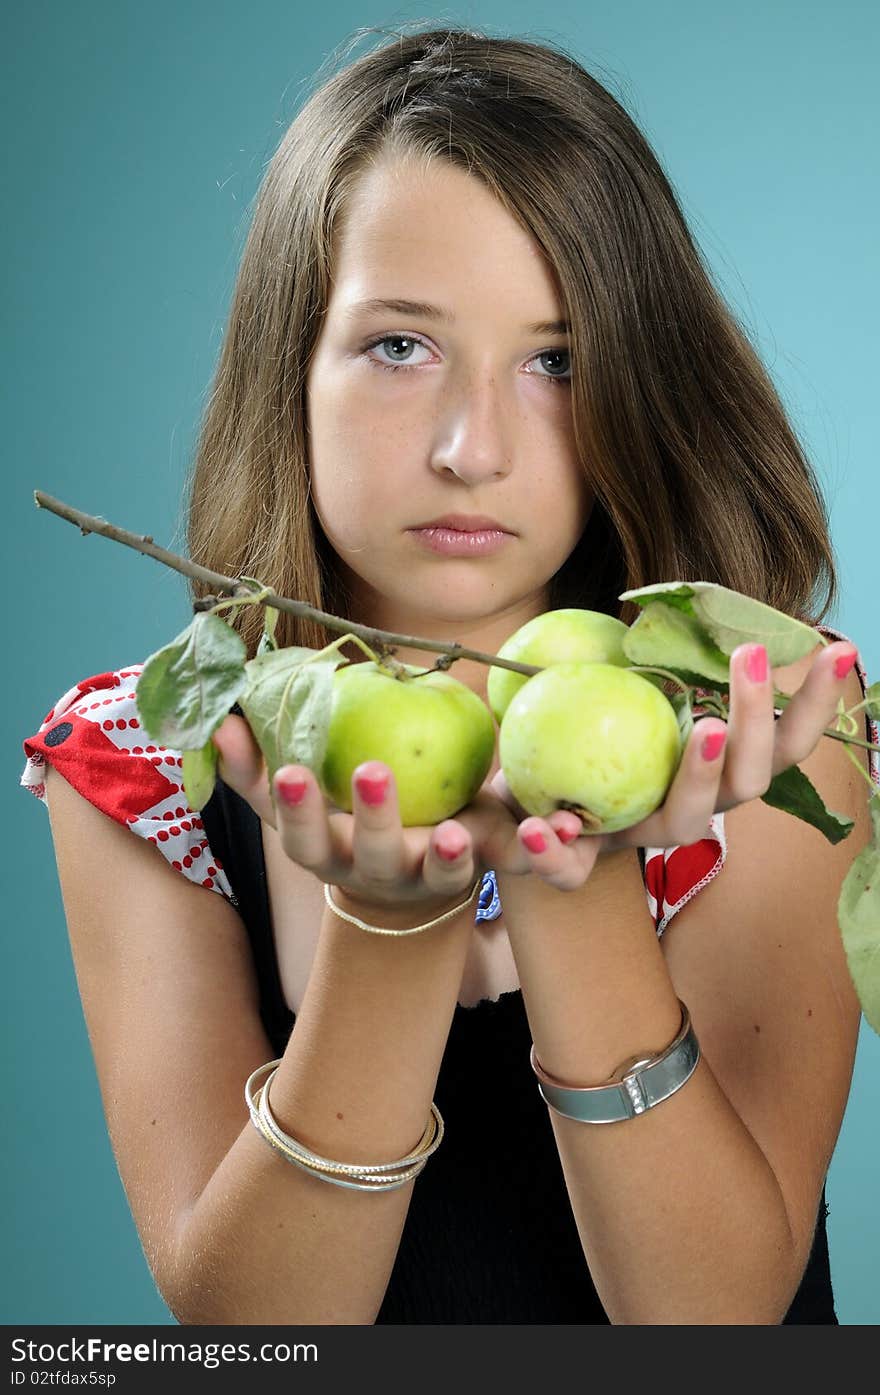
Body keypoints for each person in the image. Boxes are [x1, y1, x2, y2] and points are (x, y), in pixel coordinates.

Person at [21, 24, 879, 1325]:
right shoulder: (150, 757)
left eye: (557, 362)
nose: (473, 448)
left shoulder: (766, 738)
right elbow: (254, 1337)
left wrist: (578, 872)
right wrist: (391, 925)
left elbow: (713, 1321)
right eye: (400, 347)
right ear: (290, 365)